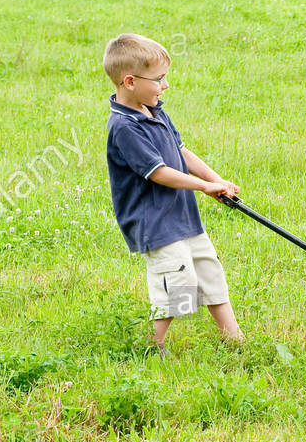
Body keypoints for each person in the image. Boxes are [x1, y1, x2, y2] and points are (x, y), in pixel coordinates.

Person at [103, 33, 244, 352]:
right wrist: (205, 186)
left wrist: (216, 180)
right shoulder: (125, 127)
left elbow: (181, 153)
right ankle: (156, 347)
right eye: (159, 79)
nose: (165, 85)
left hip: (182, 216)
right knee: (176, 284)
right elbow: (160, 173)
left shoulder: (154, 110)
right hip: (154, 222)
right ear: (129, 81)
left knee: (210, 272)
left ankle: (234, 339)